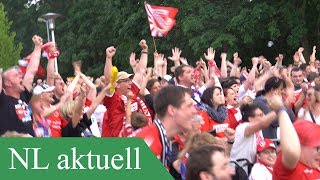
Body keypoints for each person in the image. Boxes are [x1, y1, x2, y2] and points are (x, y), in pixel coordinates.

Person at [131, 86, 197, 167]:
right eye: (189, 106)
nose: (195, 111)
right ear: (172, 110)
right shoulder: (147, 144)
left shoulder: (161, 138)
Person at [0, 35, 43, 136]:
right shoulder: (3, 100)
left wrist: (37, 47)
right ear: (7, 83)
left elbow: (31, 71)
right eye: (16, 75)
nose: (21, 75)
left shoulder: (24, 96)